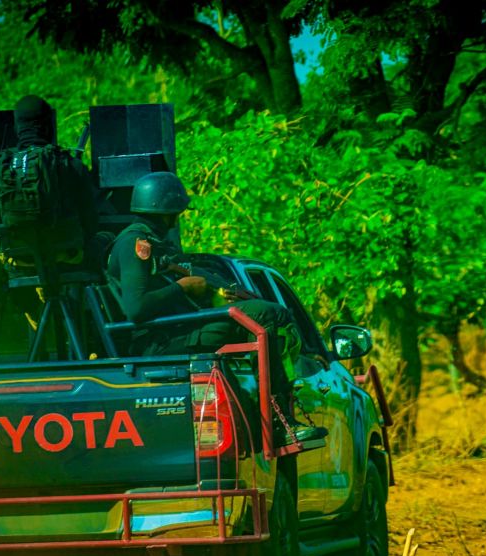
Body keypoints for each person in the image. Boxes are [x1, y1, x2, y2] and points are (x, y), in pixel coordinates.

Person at [106, 171, 327, 449]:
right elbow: (136, 309)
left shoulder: (157, 243)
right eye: (176, 213)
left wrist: (220, 293)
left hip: (177, 332)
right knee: (265, 315)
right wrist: (184, 287)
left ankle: (279, 414)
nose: (177, 218)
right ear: (167, 212)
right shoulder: (136, 244)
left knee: (270, 314)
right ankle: (278, 421)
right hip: (160, 343)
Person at [0, 94, 102, 273]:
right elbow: (91, 225)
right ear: (48, 125)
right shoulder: (72, 166)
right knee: (104, 239)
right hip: (67, 260)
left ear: (17, 127)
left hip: (17, 262)